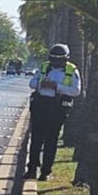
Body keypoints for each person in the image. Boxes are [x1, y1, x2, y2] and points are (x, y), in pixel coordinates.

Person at [26, 44, 81, 180]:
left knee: (51, 141)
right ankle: (31, 169)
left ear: (66, 59)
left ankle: (46, 172)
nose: (56, 62)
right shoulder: (45, 67)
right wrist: (41, 84)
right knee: (36, 140)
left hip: (57, 109)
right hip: (40, 106)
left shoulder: (72, 70)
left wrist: (57, 87)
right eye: (53, 59)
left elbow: (76, 91)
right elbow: (32, 83)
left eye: (59, 60)